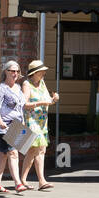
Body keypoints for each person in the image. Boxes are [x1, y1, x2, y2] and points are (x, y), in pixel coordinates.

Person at [20, 60, 57, 190]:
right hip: (31, 120)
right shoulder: (26, 84)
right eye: (41, 72)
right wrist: (40, 103)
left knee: (37, 151)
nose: (43, 74)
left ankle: (29, 180)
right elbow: (24, 104)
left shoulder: (41, 83)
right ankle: (36, 180)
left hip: (42, 122)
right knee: (36, 150)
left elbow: (47, 100)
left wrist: (53, 99)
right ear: (34, 73)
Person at [0, 59, 28, 194]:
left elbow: (21, 107)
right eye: (12, 71)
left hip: (17, 126)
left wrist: (23, 122)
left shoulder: (18, 88)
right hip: (4, 126)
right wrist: (0, 121)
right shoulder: (1, 89)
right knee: (13, 152)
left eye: (17, 71)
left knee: (3, 154)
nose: (15, 74)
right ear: (5, 72)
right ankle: (18, 183)